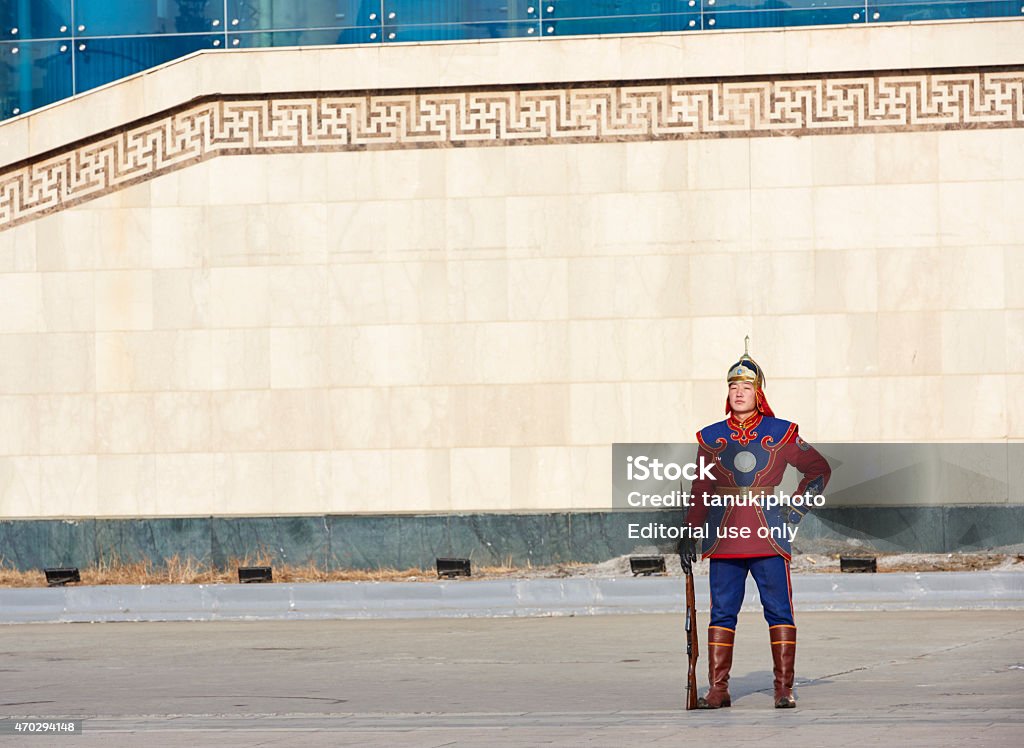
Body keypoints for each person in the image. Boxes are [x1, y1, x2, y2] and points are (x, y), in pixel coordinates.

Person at [678, 340, 830, 709]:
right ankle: (719, 688)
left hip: (768, 534)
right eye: (733, 387)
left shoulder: (780, 433)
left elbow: (818, 470)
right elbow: (701, 487)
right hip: (725, 536)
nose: (738, 393)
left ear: (758, 393)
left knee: (778, 610)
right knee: (721, 612)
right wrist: (688, 532)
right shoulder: (712, 437)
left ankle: (783, 688)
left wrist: (794, 511)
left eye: (746, 387)